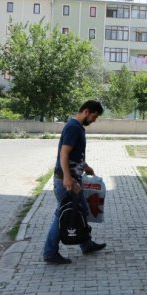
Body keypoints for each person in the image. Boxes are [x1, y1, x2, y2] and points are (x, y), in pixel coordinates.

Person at [43, 100, 107, 264]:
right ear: (86, 111)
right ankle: (50, 252)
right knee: (64, 214)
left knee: (82, 211)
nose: (94, 120)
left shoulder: (78, 128)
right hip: (66, 181)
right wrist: (67, 178)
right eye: (94, 116)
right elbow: (64, 154)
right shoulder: (73, 127)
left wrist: (85, 166)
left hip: (72, 178)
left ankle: (86, 244)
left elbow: (74, 154)